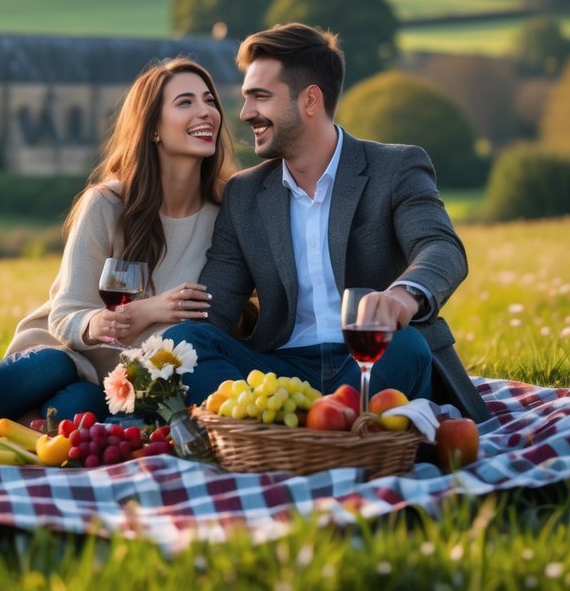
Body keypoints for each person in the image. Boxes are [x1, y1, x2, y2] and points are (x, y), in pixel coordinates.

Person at [0, 58, 238, 452]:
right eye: (185, 102)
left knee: (81, 408)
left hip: (121, 387)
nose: (206, 111)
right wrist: (146, 311)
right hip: (66, 352)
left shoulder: (225, 216)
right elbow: (65, 315)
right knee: (54, 366)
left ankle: (9, 433)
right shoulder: (106, 204)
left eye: (209, 100)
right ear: (152, 129)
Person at [165, 23, 490, 422]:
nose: (246, 113)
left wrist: (401, 297)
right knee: (185, 341)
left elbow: (441, 247)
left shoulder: (396, 166)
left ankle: (300, 430)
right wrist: (154, 339)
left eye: (260, 97)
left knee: (405, 345)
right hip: (278, 371)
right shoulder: (244, 194)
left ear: (311, 101)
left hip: (371, 357)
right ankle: (298, 428)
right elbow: (214, 309)